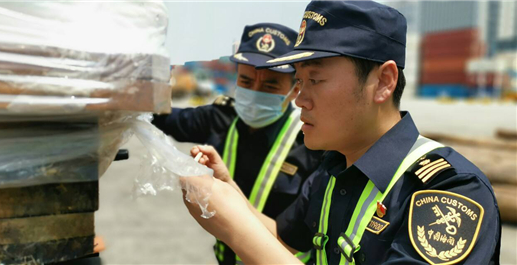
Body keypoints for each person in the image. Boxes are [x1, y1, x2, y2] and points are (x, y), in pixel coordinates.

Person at [182, 1, 501, 264]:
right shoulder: (333, 170)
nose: (299, 99)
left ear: (384, 82)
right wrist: (231, 196)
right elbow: (284, 240)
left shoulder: (450, 190)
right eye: (299, 82)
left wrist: (234, 229)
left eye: (316, 81)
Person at [152, 23, 324, 264]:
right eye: (245, 80)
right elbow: (163, 117)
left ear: (295, 88)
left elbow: (300, 236)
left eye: (270, 85)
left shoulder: (313, 141)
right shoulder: (221, 117)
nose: (255, 91)